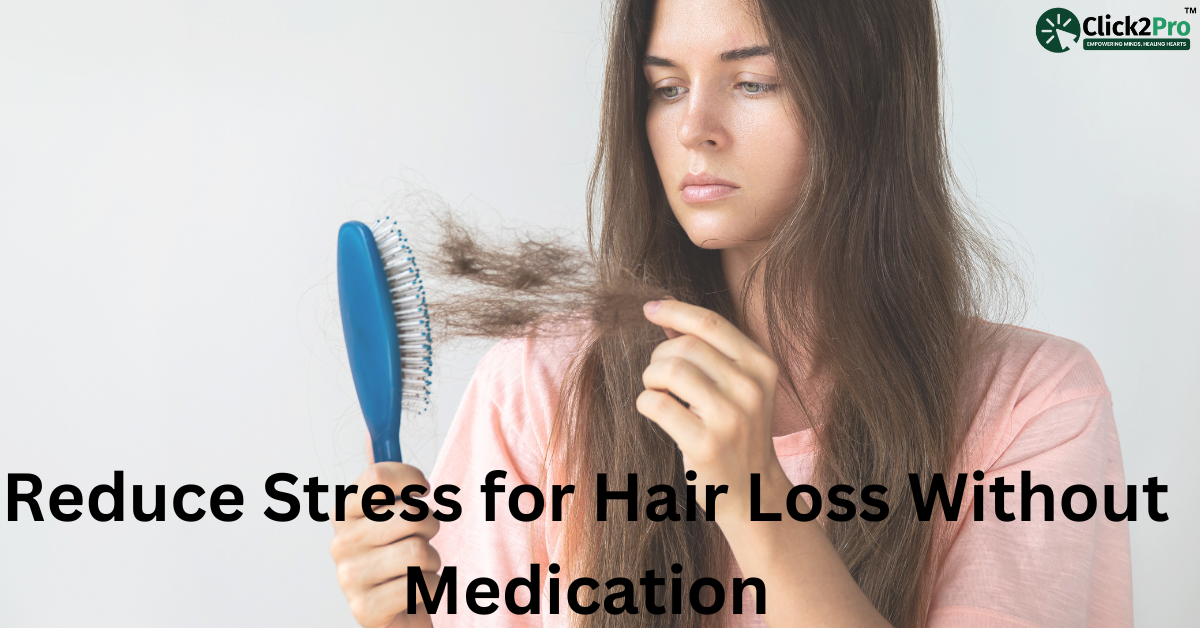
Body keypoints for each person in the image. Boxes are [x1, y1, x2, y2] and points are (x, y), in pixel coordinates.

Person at [329, 0, 1133, 626]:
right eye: (666, 87)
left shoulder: (1033, 402)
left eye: (753, 81)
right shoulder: (539, 386)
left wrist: (756, 499)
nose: (692, 129)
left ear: (867, 98)